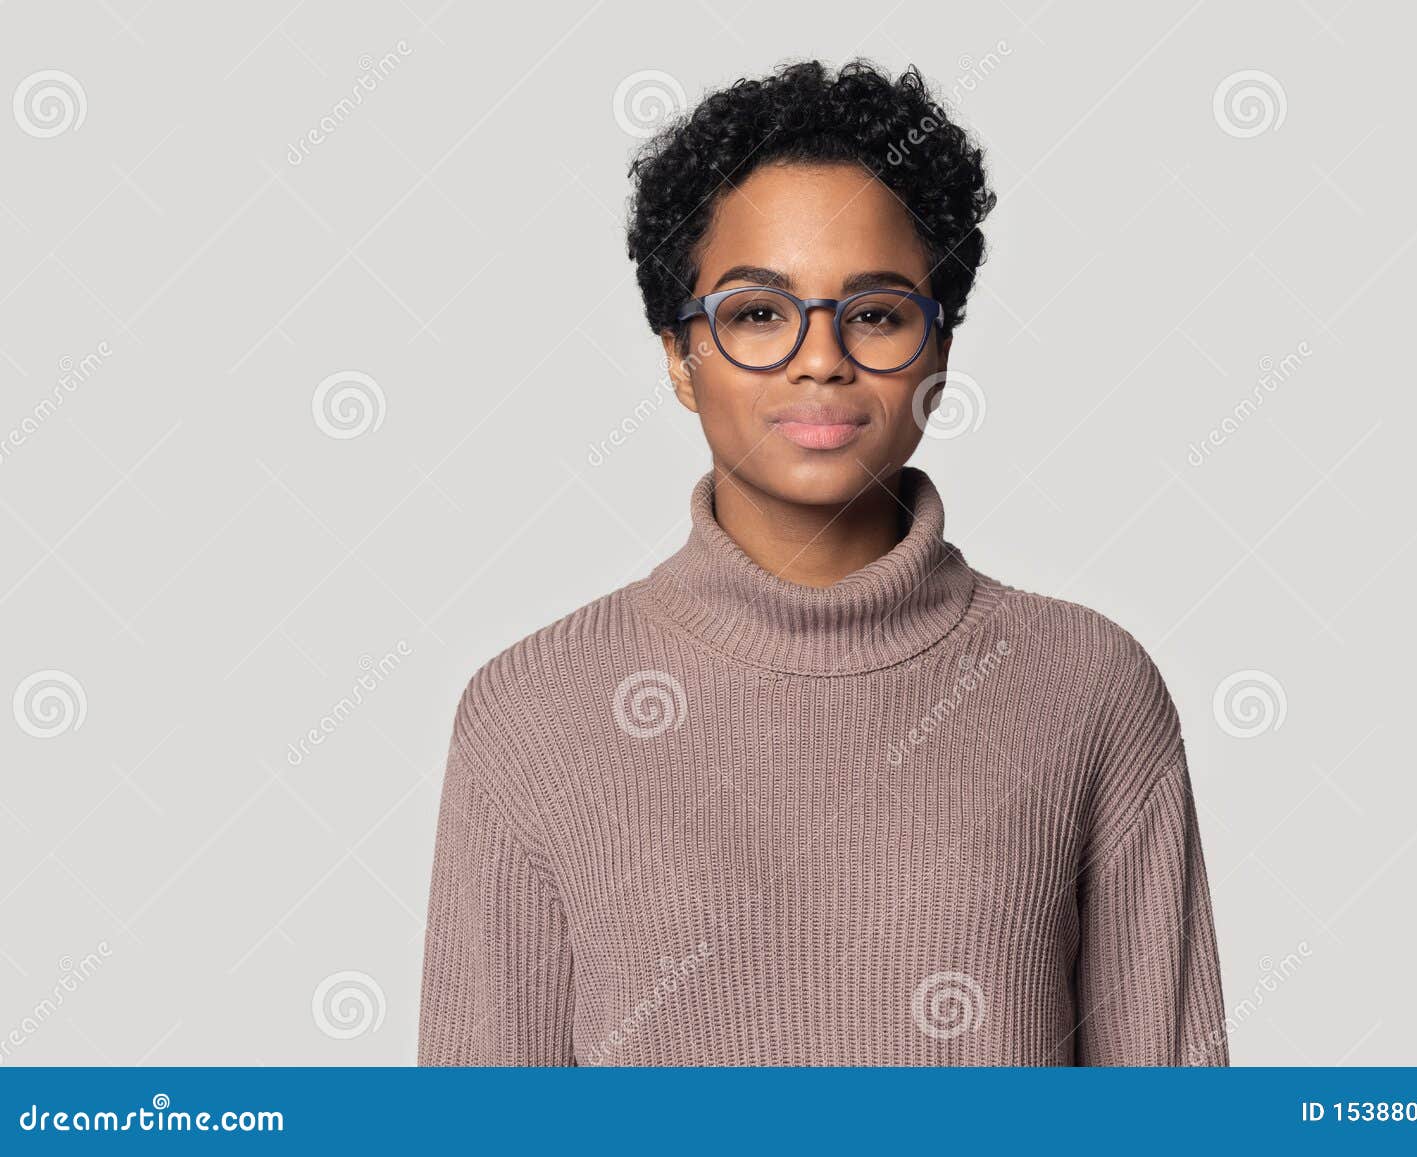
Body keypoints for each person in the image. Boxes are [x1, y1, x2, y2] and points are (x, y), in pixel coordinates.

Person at [418, 59, 1227, 1066]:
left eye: (877, 313)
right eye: (757, 313)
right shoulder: (529, 712)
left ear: (938, 349)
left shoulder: (1089, 688)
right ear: (679, 354)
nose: (819, 357)